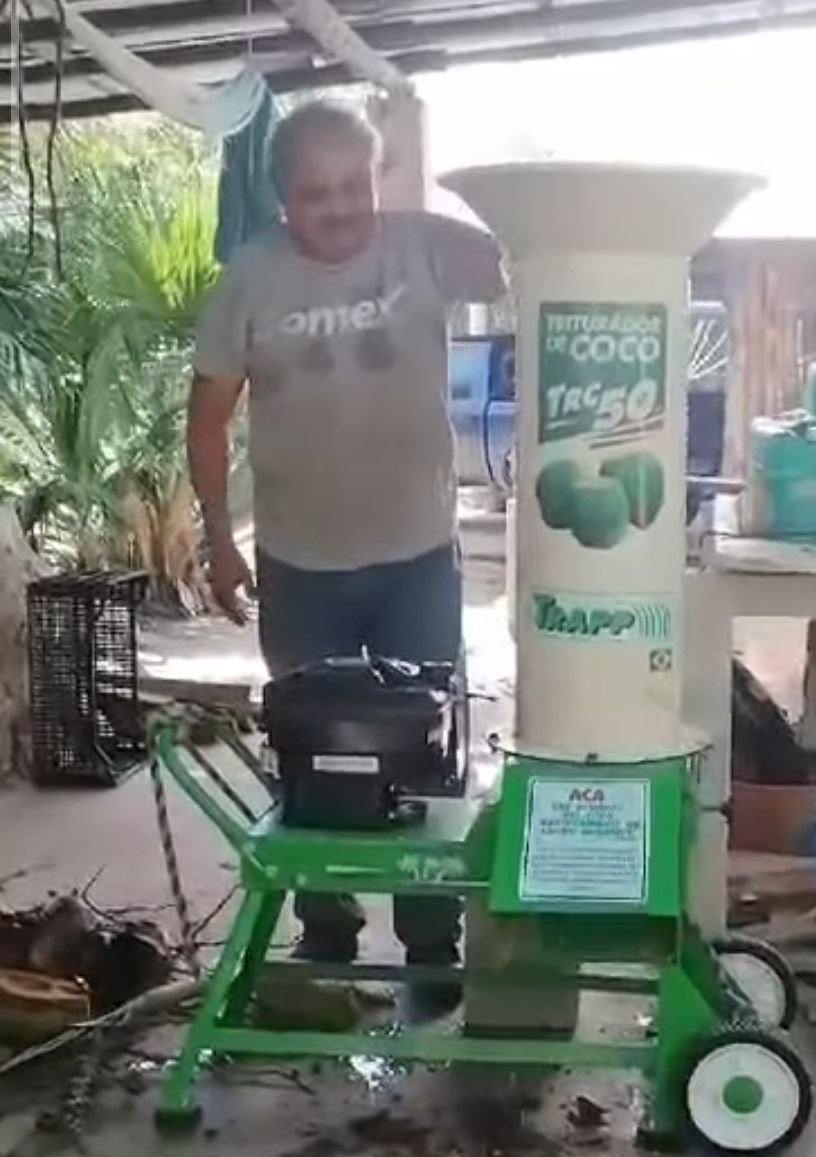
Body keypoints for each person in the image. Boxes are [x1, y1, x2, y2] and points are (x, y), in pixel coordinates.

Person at [188, 100, 504, 1015]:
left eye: (352, 186)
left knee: (429, 758)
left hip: (416, 559)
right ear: (283, 197)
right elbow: (206, 419)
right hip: (301, 566)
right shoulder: (247, 280)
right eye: (314, 192)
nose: (337, 208)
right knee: (312, 758)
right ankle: (328, 940)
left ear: (377, 180)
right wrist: (217, 536)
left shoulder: (422, 248)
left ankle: (431, 947)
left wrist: (490, 221)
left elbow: (530, 259)